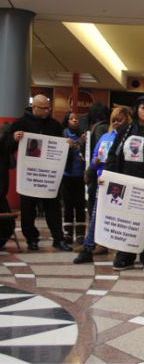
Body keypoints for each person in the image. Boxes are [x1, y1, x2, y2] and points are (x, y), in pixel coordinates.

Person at [105, 95, 144, 272]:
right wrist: (109, 177)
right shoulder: (126, 130)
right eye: (143, 108)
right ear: (136, 109)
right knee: (127, 221)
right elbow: (113, 155)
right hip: (127, 184)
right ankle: (125, 258)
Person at [7, 95, 72, 252]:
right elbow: (6, 147)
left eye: (48, 108)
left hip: (48, 177)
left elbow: (60, 150)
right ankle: (31, 238)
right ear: (34, 107)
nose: (47, 111)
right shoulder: (21, 124)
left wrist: (67, 145)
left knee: (53, 208)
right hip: (29, 176)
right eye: (43, 108)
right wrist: (14, 139)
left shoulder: (55, 126)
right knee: (28, 209)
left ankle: (58, 238)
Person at [73, 106, 132, 264]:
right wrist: (96, 163)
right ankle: (88, 247)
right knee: (96, 215)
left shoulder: (130, 138)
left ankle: (123, 251)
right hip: (104, 181)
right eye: (114, 119)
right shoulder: (106, 136)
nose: (117, 122)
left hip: (124, 183)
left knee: (122, 219)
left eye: (120, 119)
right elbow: (94, 156)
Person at [61, 111, 87, 243]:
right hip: (67, 175)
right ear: (67, 121)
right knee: (68, 204)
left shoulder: (83, 135)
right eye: (72, 118)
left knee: (80, 204)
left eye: (76, 118)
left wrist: (83, 144)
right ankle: (68, 233)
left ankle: (81, 234)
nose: (75, 120)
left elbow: (86, 153)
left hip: (79, 175)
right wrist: (66, 145)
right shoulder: (63, 134)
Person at [85, 102, 110, 224]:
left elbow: (102, 153)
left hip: (98, 172)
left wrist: (89, 171)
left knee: (94, 204)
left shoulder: (99, 128)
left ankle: (93, 235)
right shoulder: (106, 127)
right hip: (104, 171)